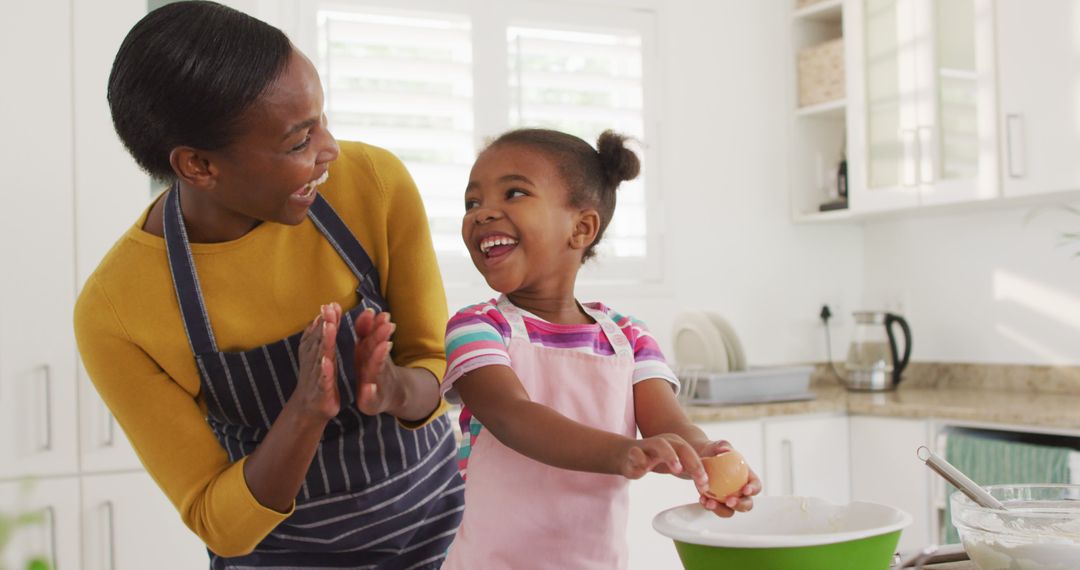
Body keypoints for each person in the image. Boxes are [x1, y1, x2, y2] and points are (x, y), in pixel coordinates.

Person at [72, 2, 463, 568]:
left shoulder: (373, 183)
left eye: (322, 120)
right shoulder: (116, 310)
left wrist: (398, 387)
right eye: (298, 141)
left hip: (447, 535)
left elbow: (432, 358)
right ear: (199, 166)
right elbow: (217, 522)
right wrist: (304, 412)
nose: (329, 150)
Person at [440, 128, 762, 568]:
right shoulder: (476, 328)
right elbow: (513, 417)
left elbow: (668, 424)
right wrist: (619, 452)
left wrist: (703, 457)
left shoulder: (629, 336)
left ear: (582, 227)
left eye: (514, 193)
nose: (482, 214)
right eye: (472, 203)